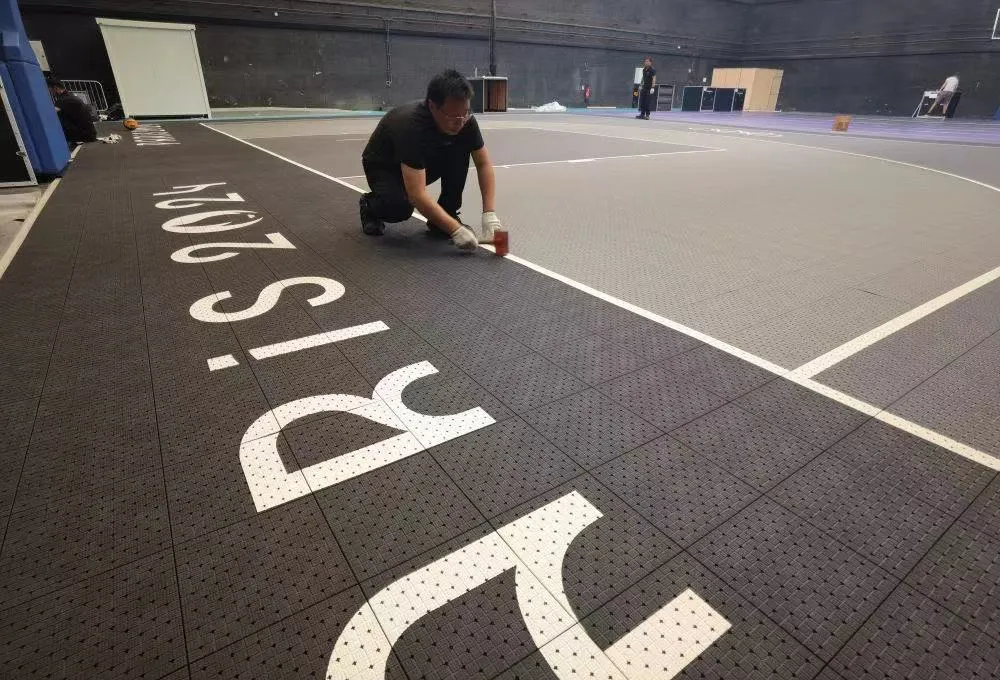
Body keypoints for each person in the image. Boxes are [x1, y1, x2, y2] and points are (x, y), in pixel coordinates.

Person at [359, 69, 505, 250]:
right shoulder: (411, 127)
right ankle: (369, 206)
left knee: (460, 149)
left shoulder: (465, 122)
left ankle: (446, 213)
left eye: (465, 113)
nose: (460, 122)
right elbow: (417, 195)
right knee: (400, 207)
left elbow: (483, 164)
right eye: (452, 116)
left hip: (422, 161)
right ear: (432, 106)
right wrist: (455, 229)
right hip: (384, 166)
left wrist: (489, 215)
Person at [46, 77, 97, 145]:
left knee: (56, 119)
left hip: (84, 136)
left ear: (56, 88)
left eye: (51, 91)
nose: (51, 93)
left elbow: (50, 114)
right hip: (89, 134)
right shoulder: (70, 96)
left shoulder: (63, 101)